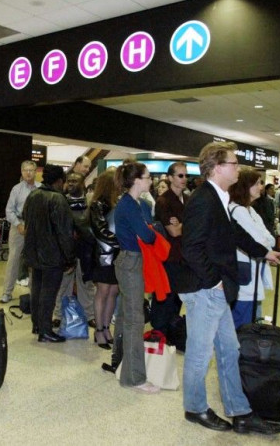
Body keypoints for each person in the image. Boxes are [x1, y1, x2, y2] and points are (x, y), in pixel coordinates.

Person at [178, 141, 280, 435]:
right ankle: (195, 408)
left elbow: (233, 232)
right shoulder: (203, 200)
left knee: (230, 349)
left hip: (215, 289)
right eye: (234, 163)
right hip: (205, 289)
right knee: (200, 353)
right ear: (217, 167)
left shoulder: (218, 196)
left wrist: (263, 252)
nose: (238, 168)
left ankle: (240, 412)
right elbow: (192, 247)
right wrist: (215, 281)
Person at [113, 161, 160, 394]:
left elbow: (149, 228)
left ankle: (119, 362)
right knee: (134, 319)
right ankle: (134, 378)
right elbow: (147, 234)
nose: (151, 180)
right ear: (137, 180)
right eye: (148, 177)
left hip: (135, 261)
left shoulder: (139, 203)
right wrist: (154, 231)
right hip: (130, 262)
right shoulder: (128, 205)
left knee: (125, 315)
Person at [22, 164, 76, 343]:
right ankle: (45, 330)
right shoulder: (58, 200)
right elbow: (64, 232)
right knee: (49, 293)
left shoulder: (33, 195)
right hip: (52, 254)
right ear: (59, 180)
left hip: (33, 252)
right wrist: (69, 257)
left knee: (36, 289)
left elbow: (25, 219)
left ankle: (37, 324)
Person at [227, 167, 275, 329]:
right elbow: (260, 242)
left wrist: (265, 243)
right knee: (243, 317)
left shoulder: (250, 210)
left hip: (254, 269)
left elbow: (269, 240)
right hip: (245, 271)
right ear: (244, 187)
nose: (261, 187)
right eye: (256, 184)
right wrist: (264, 243)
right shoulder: (238, 211)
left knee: (252, 313)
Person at [53, 172, 96, 329]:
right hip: (67, 247)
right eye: (69, 181)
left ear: (83, 183)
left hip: (85, 247)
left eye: (75, 181)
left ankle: (90, 315)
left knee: (86, 283)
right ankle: (58, 315)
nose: (71, 184)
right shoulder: (61, 200)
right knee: (63, 283)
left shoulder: (90, 200)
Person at [151, 162, 187, 333]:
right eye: (180, 175)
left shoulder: (188, 199)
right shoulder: (164, 201)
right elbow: (173, 231)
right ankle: (160, 330)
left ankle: (173, 328)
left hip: (184, 256)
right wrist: (183, 225)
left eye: (186, 175)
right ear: (171, 177)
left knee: (178, 296)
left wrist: (182, 224)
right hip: (168, 256)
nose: (184, 179)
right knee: (165, 295)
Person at [0, 160, 40, 303]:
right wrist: (18, 224)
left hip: (36, 228)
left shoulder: (41, 189)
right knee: (13, 259)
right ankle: (7, 292)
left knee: (35, 260)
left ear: (36, 172)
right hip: (18, 226)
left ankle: (33, 293)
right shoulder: (16, 189)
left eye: (31, 170)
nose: (28, 173)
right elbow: (9, 210)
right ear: (22, 172)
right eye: (25, 170)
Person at [89, 170, 120, 349]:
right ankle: (99, 330)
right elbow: (101, 231)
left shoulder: (116, 202)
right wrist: (123, 241)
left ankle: (107, 327)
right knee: (103, 292)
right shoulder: (97, 205)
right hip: (103, 255)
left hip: (115, 254)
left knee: (113, 292)